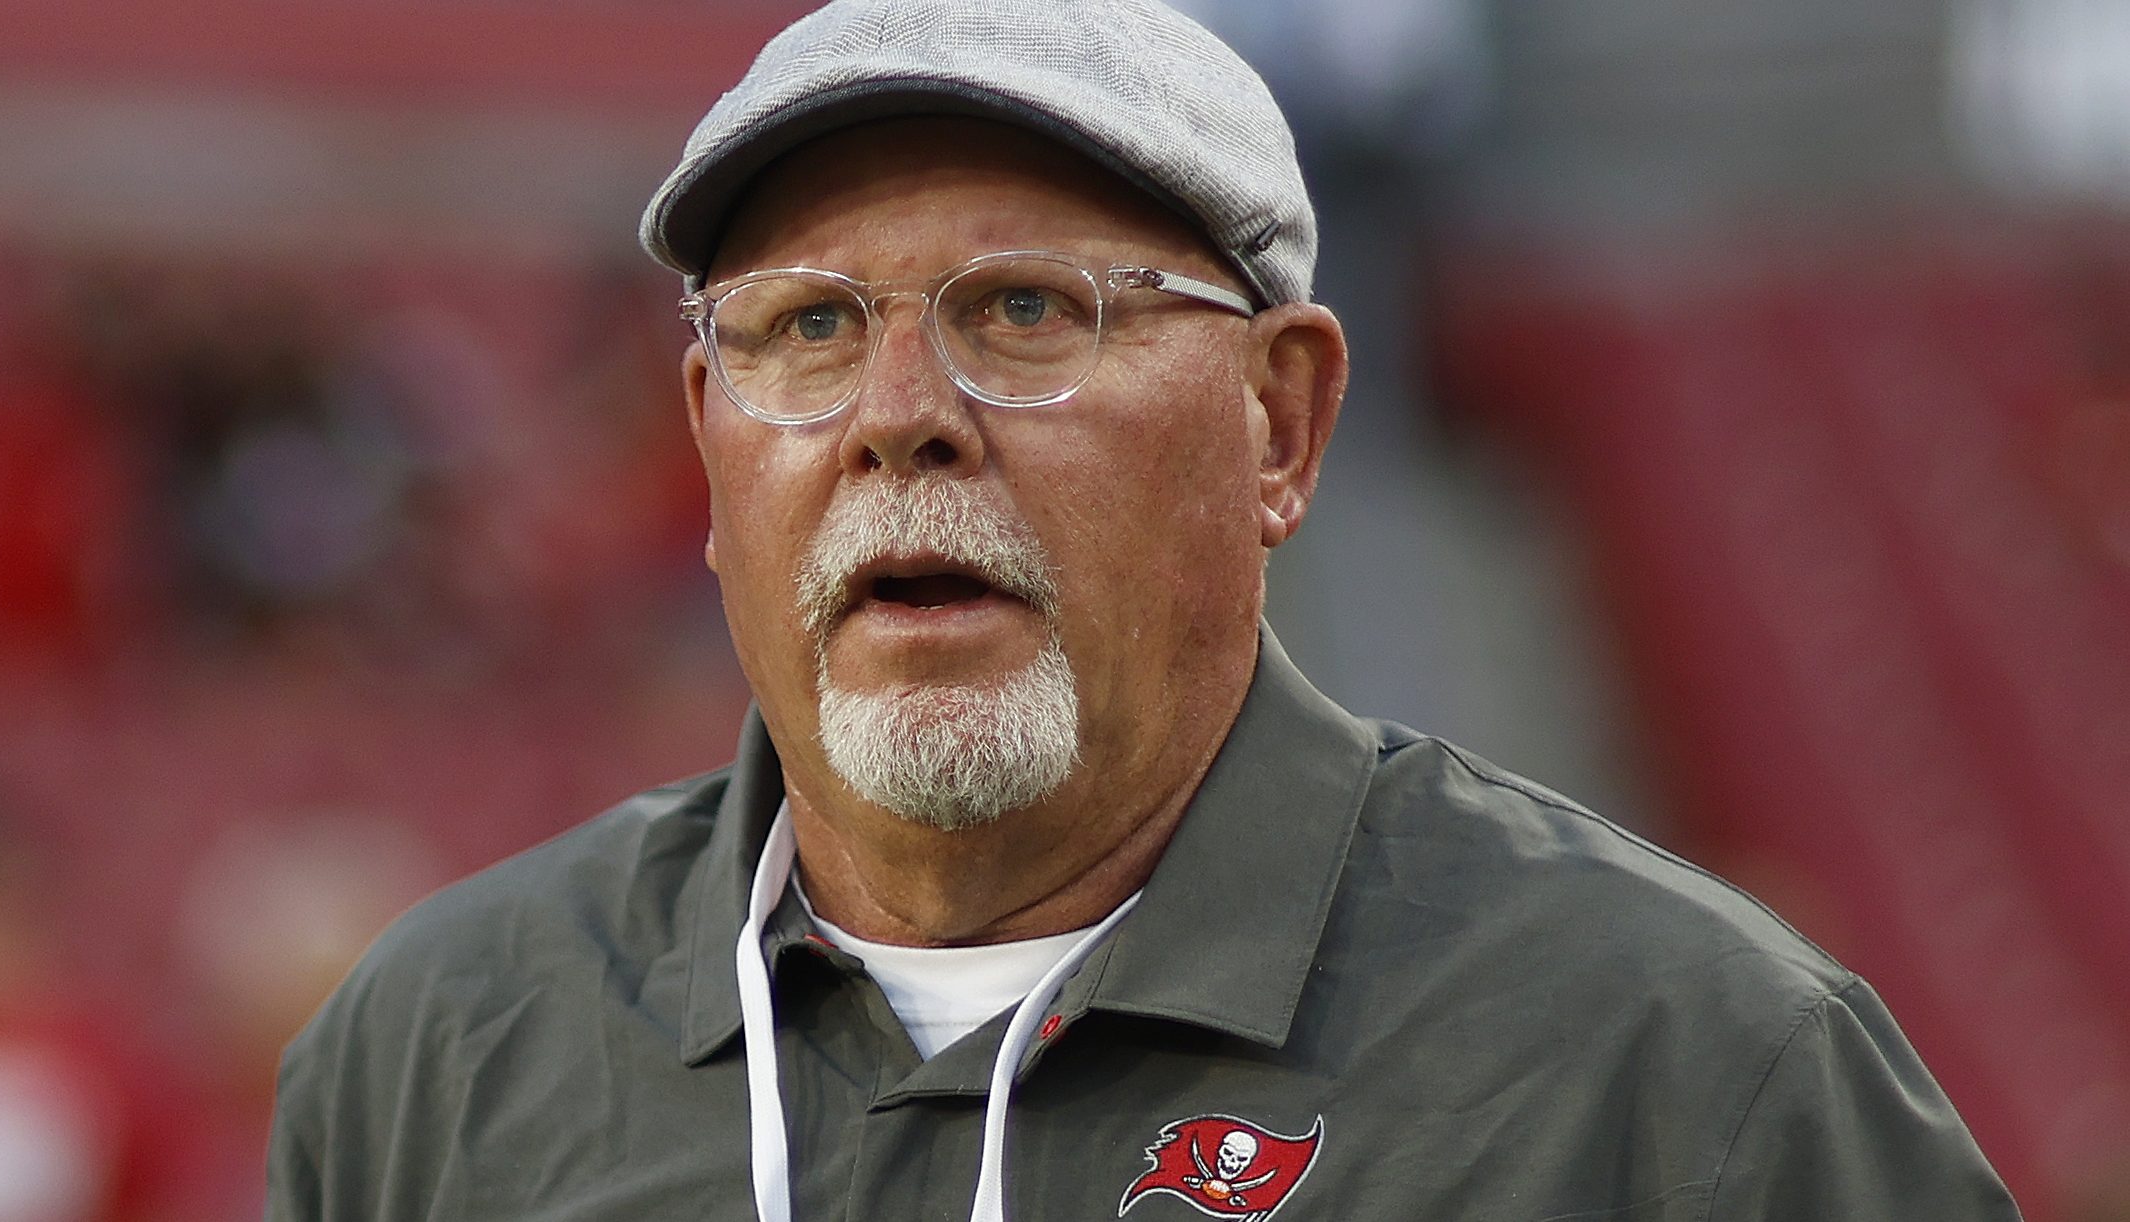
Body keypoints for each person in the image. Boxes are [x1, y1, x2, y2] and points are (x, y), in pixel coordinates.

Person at [265, 2, 2022, 1219]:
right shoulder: (444, 1047)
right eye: (802, 328)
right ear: (707, 453)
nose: (897, 412)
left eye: (1026, 309)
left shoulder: (1679, 1068)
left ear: (1280, 421)